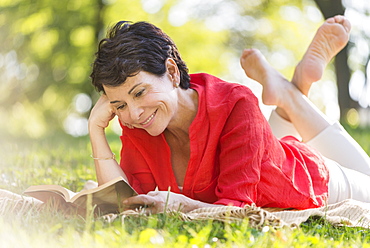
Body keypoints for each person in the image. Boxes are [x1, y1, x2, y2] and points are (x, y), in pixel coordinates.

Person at [88, 15, 370, 214]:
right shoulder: (140, 121)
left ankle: (290, 95)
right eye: (120, 105)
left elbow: (238, 207)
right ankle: (290, 90)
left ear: (172, 72)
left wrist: (182, 206)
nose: (134, 113)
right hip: (267, 155)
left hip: (310, 179)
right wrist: (95, 129)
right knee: (268, 152)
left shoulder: (234, 103)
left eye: (139, 92)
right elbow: (126, 203)